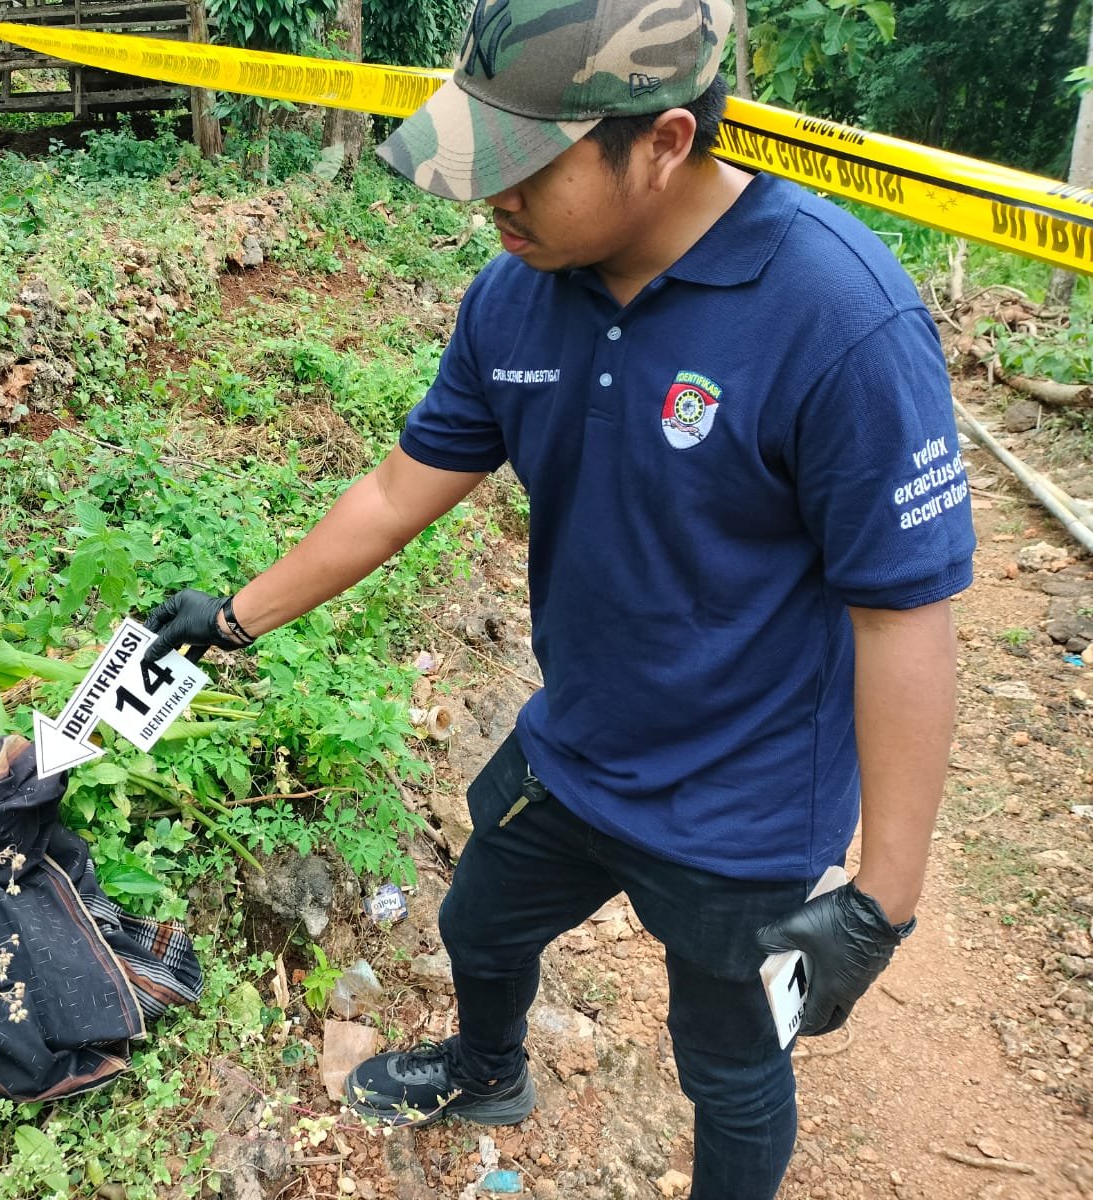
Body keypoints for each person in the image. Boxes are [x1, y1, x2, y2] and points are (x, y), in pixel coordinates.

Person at [143, 0, 976, 1194]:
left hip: (740, 809)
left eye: (527, 167)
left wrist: (881, 902)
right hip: (579, 747)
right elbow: (397, 489)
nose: (494, 201)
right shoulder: (516, 296)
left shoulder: (838, 318)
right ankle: (490, 1068)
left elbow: (904, 614)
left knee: (730, 1064)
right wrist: (232, 616)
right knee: (477, 926)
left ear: (664, 142)